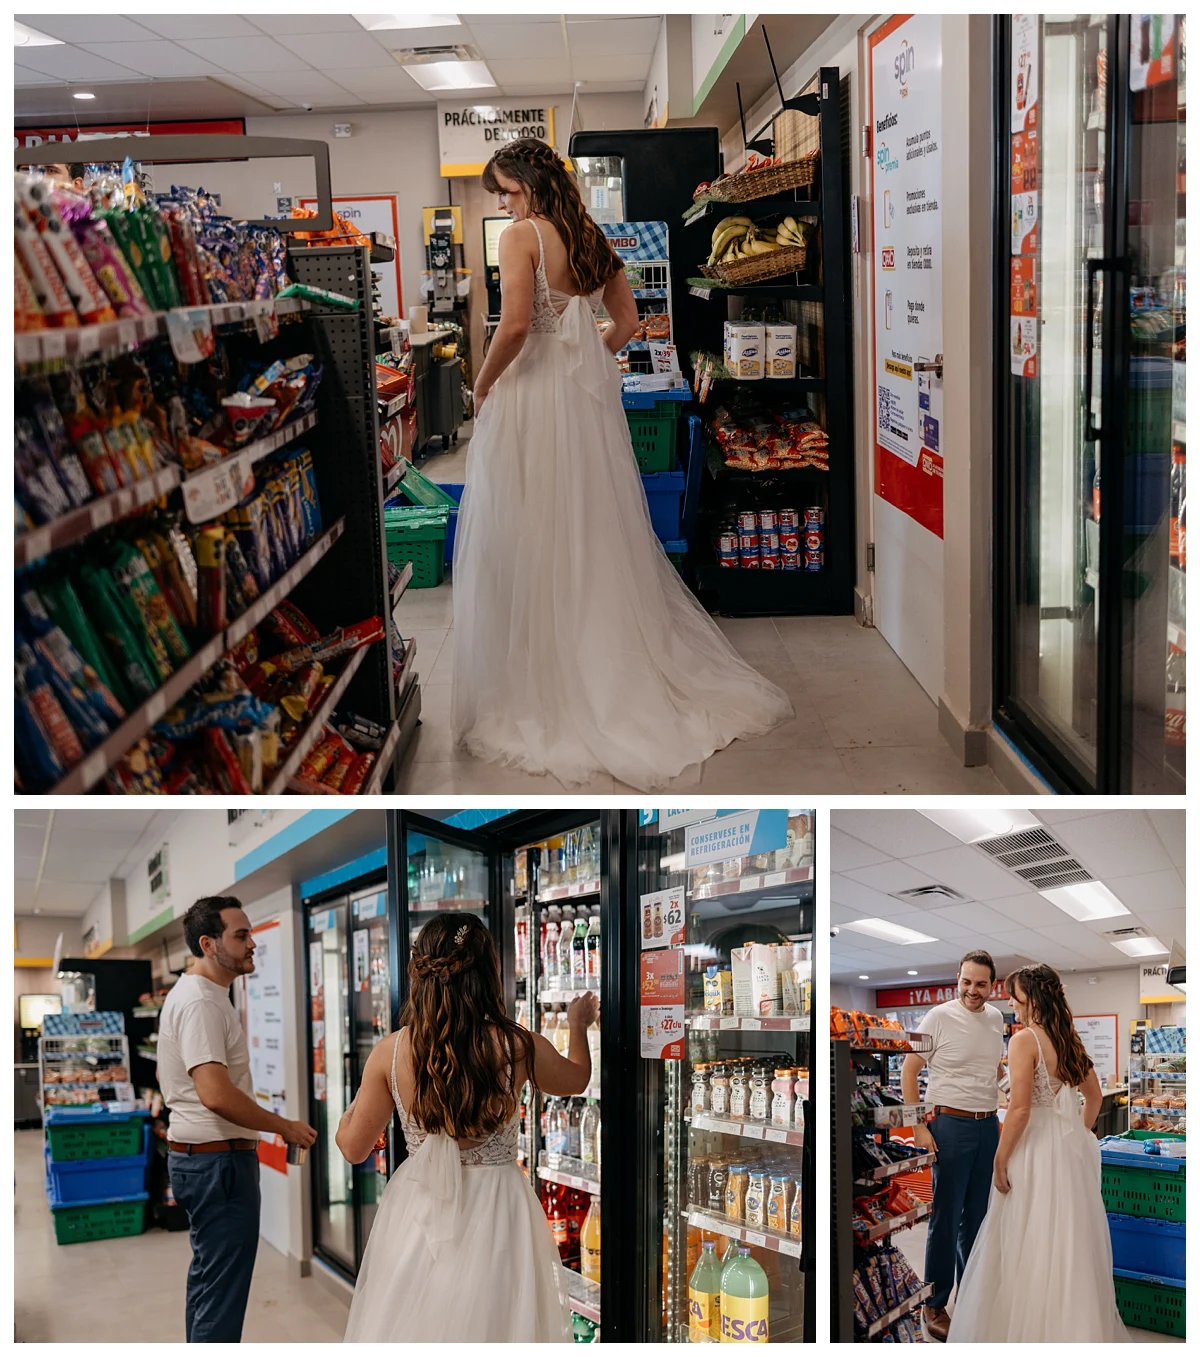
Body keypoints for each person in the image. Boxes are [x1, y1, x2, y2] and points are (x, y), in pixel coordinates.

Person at [451, 137, 793, 790]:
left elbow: (516, 325)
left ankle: (544, 675)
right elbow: (629, 322)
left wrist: (484, 384)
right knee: (590, 530)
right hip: (576, 407)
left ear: (527, 183)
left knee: (530, 534)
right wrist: (582, 356)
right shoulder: (589, 238)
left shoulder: (519, 237)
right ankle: (600, 656)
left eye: (506, 188)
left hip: (528, 401)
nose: (501, 201)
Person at [337, 913, 596, 1342]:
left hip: (419, 1210)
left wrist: (358, 1104)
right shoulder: (517, 1045)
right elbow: (577, 1079)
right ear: (487, 972)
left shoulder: (390, 1052)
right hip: (499, 1209)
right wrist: (577, 1025)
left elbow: (352, 1147)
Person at [159, 897, 317, 1343]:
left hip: (204, 1162)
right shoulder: (201, 1002)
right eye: (241, 935)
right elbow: (214, 1094)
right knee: (222, 1296)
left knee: (209, 1285)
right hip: (218, 1166)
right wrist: (283, 1126)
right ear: (209, 944)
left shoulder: (200, 996)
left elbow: (172, 1076)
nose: (252, 945)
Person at [948, 964, 1128, 1342]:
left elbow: (1020, 1109)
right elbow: (1093, 1098)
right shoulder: (1069, 1039)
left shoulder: (1024, 1039)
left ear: (1033, 998)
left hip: (1031, 1150)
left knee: (1021, 1237)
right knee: (1065, 1240)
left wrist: (1000, 1157)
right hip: (1065, 1152)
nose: (1010, 1001)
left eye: (1015, 995)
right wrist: (1075, 1134)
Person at [901, 951, 1005, 1343]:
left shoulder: (995, 1019)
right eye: (966, 982)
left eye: (980, 984)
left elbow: (992, 1067)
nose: (972, 991)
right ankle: (935, 1302)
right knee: (946, 1217)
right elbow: (910, 1070)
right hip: (949, 1124)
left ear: (992, 986)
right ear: (957, 979)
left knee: (977, 1218)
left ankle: (972, 1296)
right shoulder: (939, 1017)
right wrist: (917, 1127)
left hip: (987, 1125)